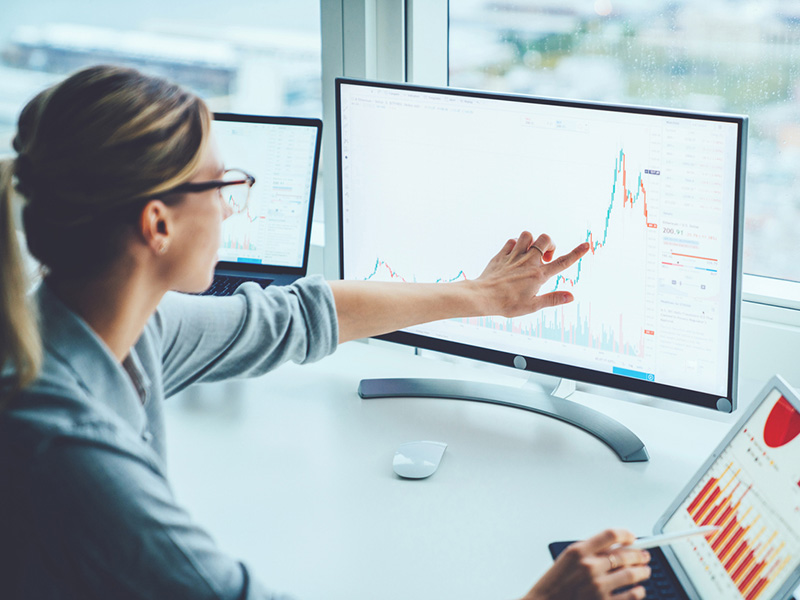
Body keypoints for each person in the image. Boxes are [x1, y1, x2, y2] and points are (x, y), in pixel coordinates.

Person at [0, 65, 651, 600]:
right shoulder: (68, 450)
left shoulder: (98, 326)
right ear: (157, 225)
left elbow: (295, 317)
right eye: (222, 186)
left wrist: (480, 296)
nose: (230, 206)